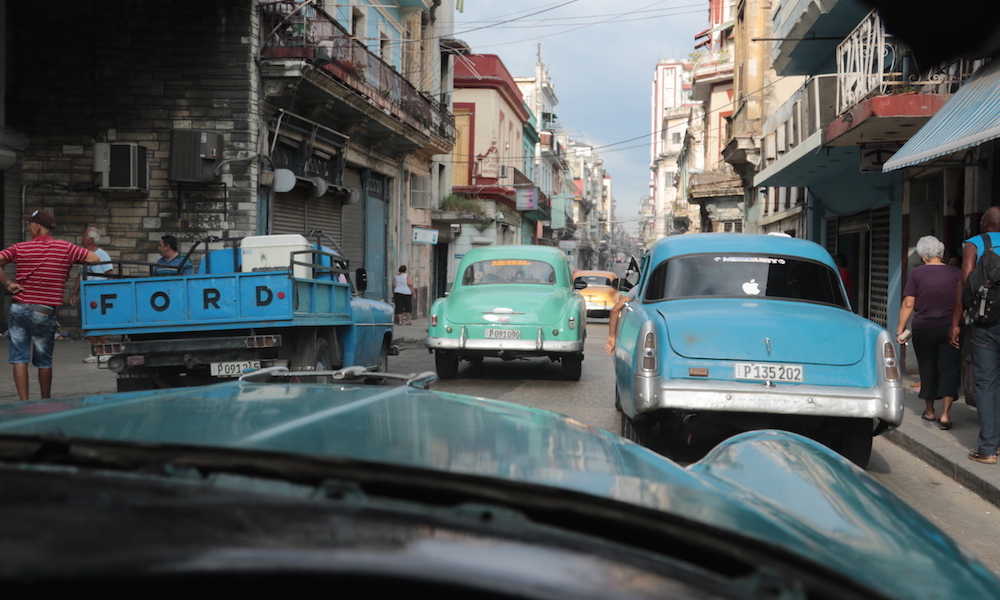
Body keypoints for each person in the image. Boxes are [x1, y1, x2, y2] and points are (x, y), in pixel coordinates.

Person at [0, 209, 100, 401]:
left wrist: (8, 283)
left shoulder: (20, 248)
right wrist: (67, 264)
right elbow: (94, 259)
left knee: (19, 358)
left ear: (38, 227)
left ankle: (24, 403)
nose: (29, 227)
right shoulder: (65, 248)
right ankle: (45, 400)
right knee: (44, 361)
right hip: (43, 311)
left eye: (30, 224)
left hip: (19, 307)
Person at [950, 207, 1000, 464]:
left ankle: (989, 448)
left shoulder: (975, 243)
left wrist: (956, 321)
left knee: (987, 383)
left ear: (983, 223)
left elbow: (965, 282)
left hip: (985, 324)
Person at [896, 236, 961, 430]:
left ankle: (930, 411)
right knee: (949, 369)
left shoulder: (917, 274)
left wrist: (900, 328)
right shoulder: (957, 273)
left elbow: (909, 303)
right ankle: (946, 415)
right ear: (941, 254)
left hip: (924, 328)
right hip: (950, 328)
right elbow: (964, 301)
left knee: (928, 368)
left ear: (924, 256)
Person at [70, 227, 113, 363]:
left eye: (84, 236)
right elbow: (80, 275)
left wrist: (109, 292)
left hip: (98, 294)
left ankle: (105, 349)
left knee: (98, 323)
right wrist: (74, 293)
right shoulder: (83, 255)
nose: (81, 239)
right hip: (86, 293)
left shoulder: (102, 254)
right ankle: (95, 351)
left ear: (91, 240)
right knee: (88, 324)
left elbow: (110, 274)